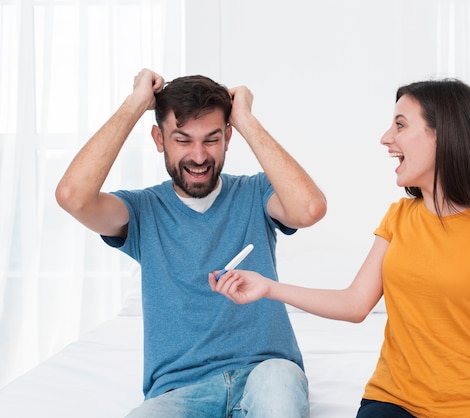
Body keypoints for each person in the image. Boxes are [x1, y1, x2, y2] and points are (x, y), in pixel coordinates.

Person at [210, 78, 470, 418]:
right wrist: (268, 287)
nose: (385, 138)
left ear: (443, 136)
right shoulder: (400, 216)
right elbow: (354, 304)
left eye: (400, 125)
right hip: (395, 402)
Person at [55, 68, 327, 418]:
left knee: (279, 388)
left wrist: (245, 119)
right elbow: (72, 196)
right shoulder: (141, 211)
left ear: (228, 137)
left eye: (212, 139)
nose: (199, 156)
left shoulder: (256, 194)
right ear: (159, 139)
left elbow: (310, 208)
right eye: (183, 140)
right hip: (178, 391)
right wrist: (136, 103)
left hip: (266, 374)